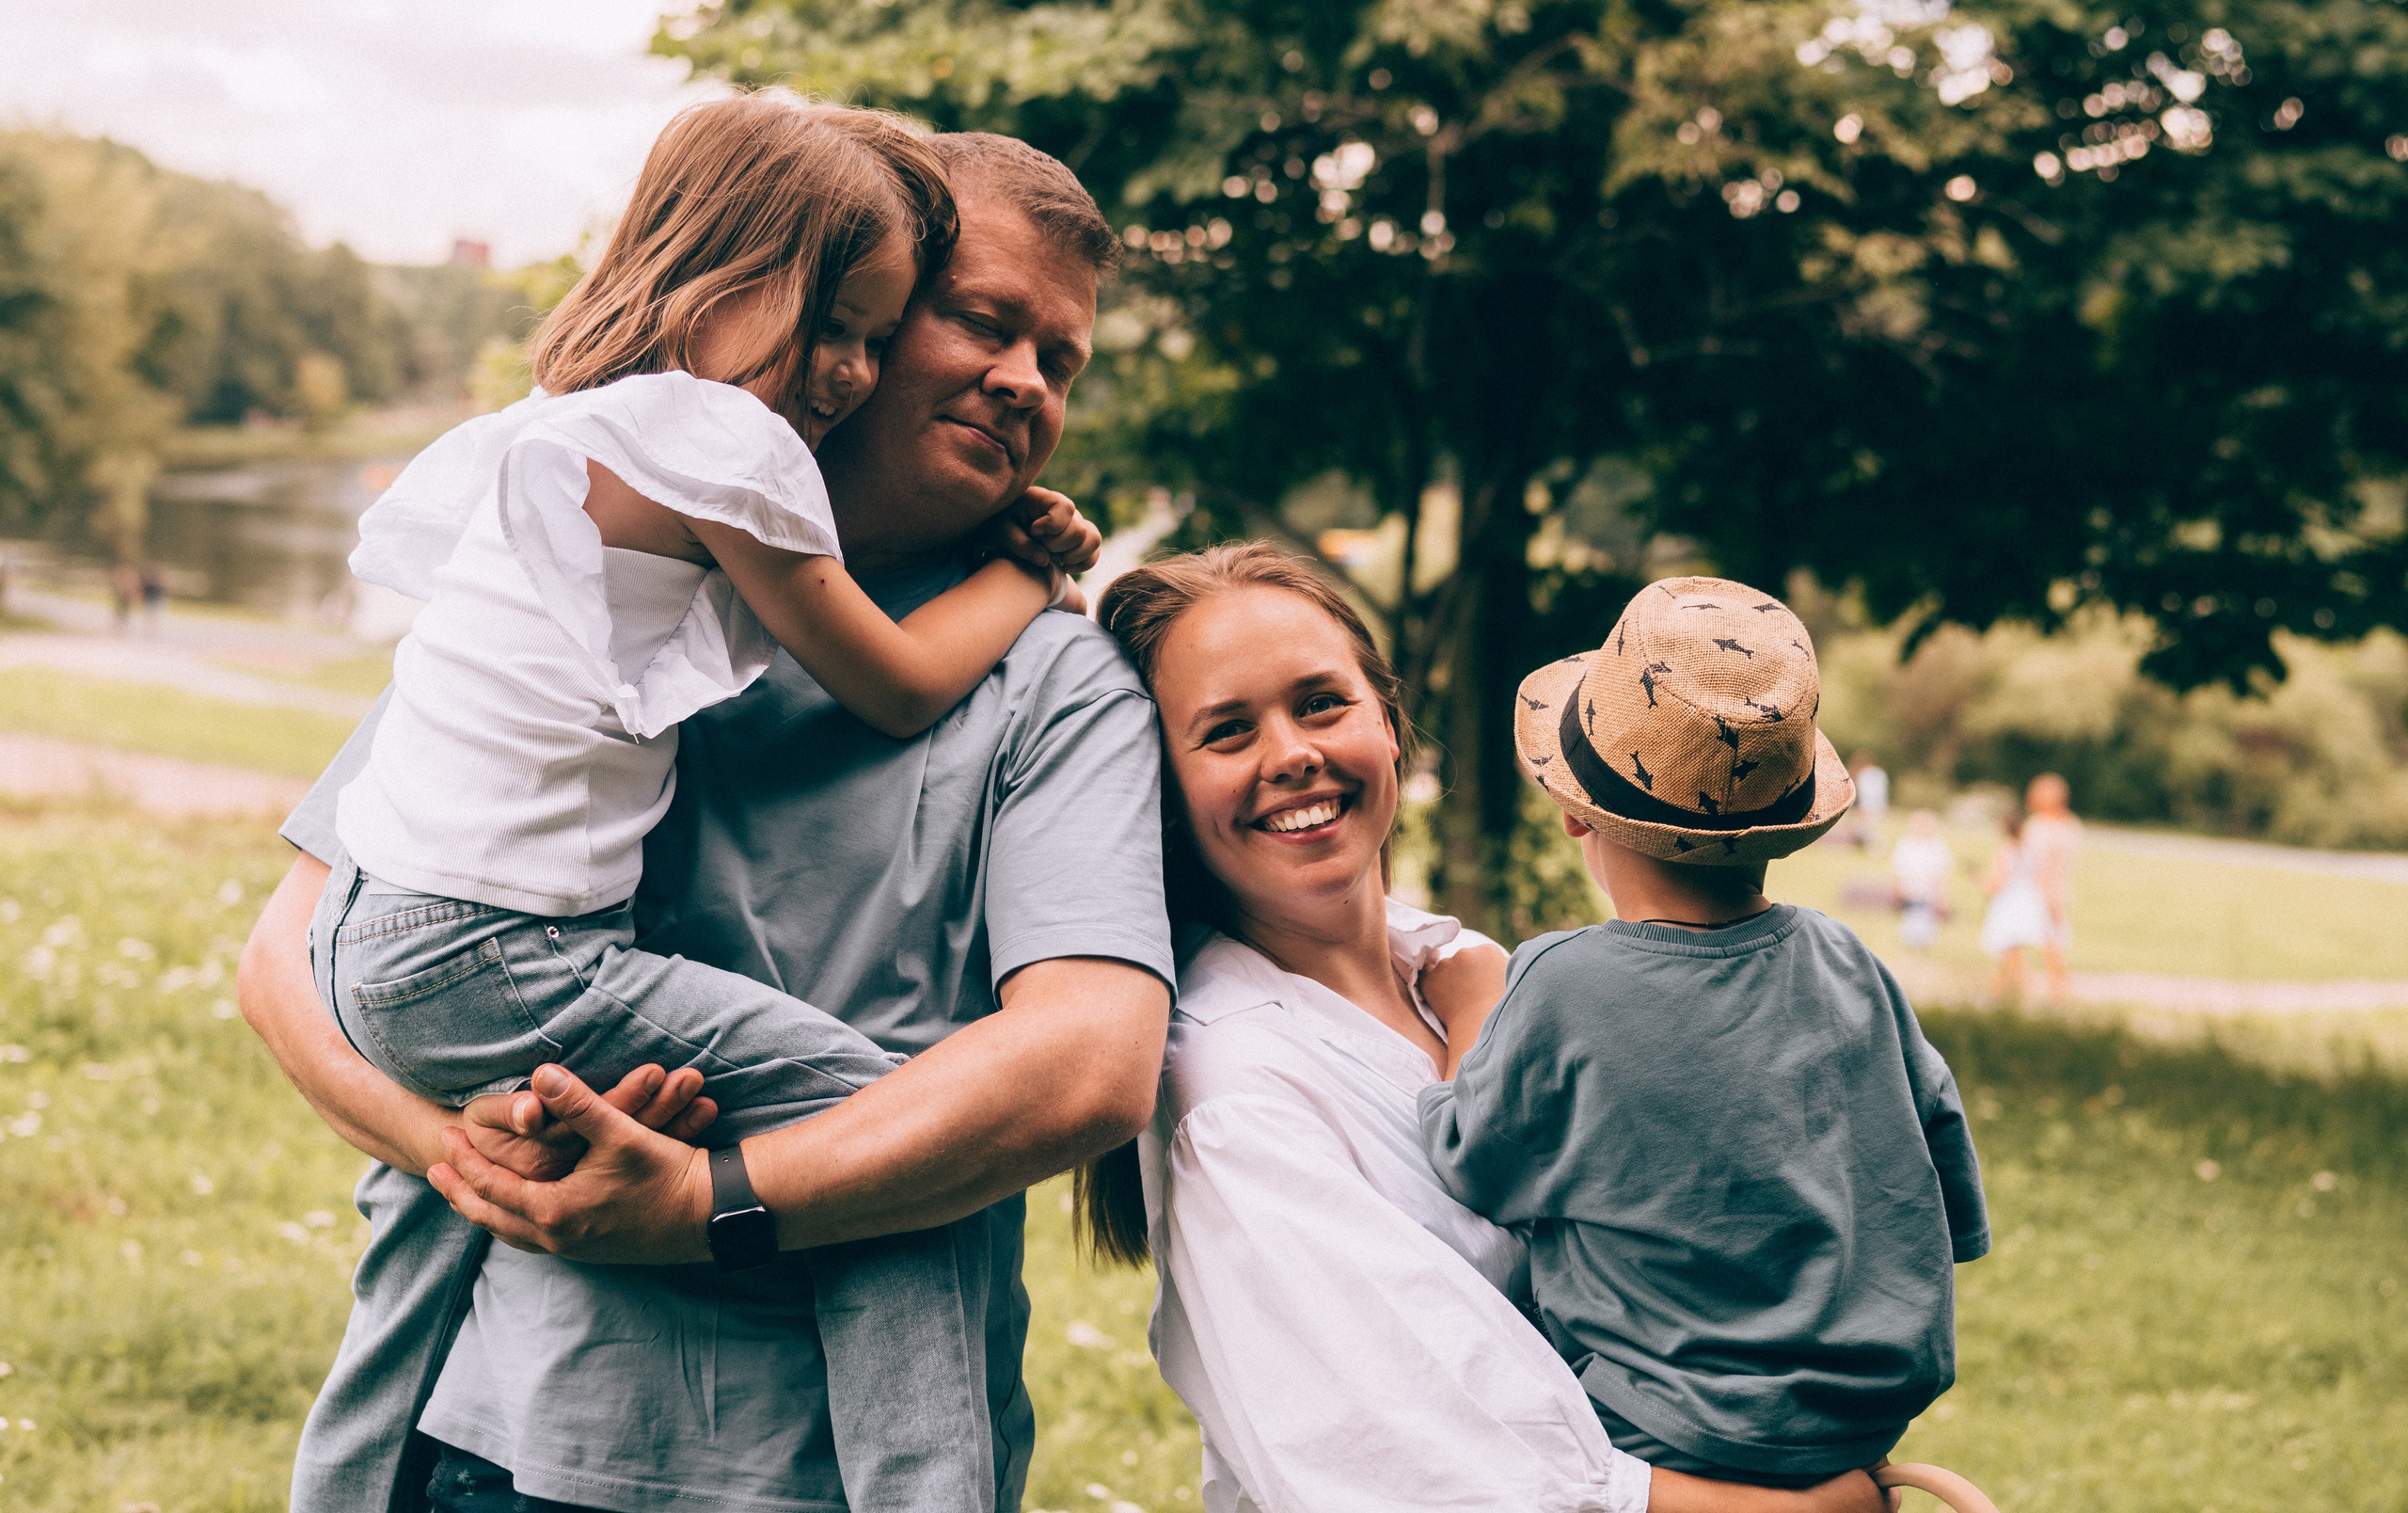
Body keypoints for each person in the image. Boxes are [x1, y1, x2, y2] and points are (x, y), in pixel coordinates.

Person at [238, 126, 1172, 1513]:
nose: (1028, 381)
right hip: (484, 1442)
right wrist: (486, 1159)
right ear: (827, 295)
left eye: (1063, 363)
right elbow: (290, 961)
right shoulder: (604, 571)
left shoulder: (1057, 685)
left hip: (801, 1474)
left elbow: (1087, 1067)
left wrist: (705, 1201)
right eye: (983, 321)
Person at [1083, 544, 1892, 1513]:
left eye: (1319, 703)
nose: (1291, 752)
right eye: (1225, 732)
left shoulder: (1467, 965)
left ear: (1388, 723)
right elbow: (1439, 1480)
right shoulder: (1236, 1098)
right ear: (1161, 793)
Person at [1419, 577, 1991, 1489]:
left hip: (1659, 1428)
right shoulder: (1849, 962)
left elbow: (1471, 1163)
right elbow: (1944, 1197)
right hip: (1859, 1418)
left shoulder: (1564, 982)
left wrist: (1465, 1008)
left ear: (1574, 811)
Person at [2020, 773, 2082, 1003]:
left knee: (2047, 948)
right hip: (2047, 893)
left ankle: (2056, 999)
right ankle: (2047, 998)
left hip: (2042, 894)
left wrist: (2051, 901)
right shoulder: (2069, 825)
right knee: (2031, 948)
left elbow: (2043, 868)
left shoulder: (2039, 827)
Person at [1978, 809, 2051, 1003]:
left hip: (2009, 904)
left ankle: (2023, 995)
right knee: (2011, 952)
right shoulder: (2031, 850)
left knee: (2010, 952)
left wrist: (1978, 880)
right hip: (2029, 902)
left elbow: (1996, 884)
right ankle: (1995, 993)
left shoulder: (2005, 851)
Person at [1891, 810, 1955, 949]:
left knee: (1927, 927)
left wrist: (1942, 897)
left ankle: (1922, 947)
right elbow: (1898, 870)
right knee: (1910, 923)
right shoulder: (1906, 844)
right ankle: (1911, 946)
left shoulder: (1938, 847)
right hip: (1910, 892)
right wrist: (1897, 890)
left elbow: (1940, 875)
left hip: (1929, 894)